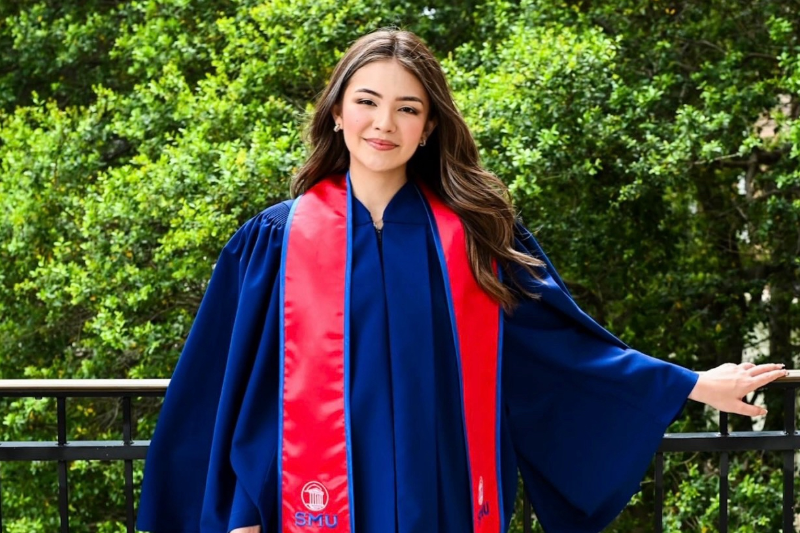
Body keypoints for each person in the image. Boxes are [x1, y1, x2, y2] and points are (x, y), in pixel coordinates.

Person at [135, 28, 787, 533]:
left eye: (406, 109)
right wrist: (238, 509)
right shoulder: (275, 243)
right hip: (304, 507)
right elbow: (232, 391)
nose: (383, 124)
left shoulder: (473, 237)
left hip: (441, 500)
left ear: (428, 128)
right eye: (366, 101)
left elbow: (565, 352)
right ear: (337, 113)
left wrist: (694, 384)